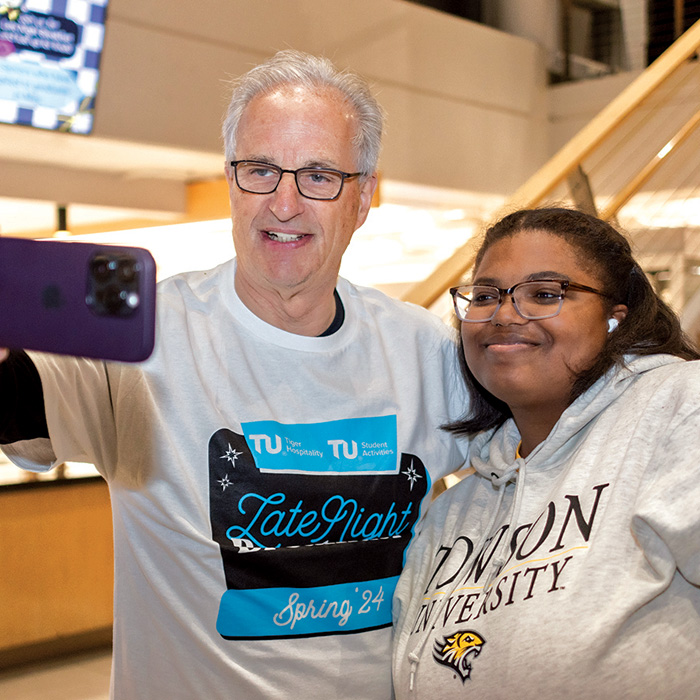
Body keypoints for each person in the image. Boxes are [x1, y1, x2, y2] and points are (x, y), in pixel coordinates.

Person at [0, 51, 468, 699]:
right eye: (261, 170)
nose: (283, 203)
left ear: (363, 197)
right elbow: (15, 399)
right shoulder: (145, 340)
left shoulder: (423, 348)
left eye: (319, 176)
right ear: (230, 181)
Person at [392, 207, 700, 699]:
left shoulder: (679, 409)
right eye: (487, 296)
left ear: (614, 319)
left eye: (544, 294)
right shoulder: (454, 511)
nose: (506, 315)